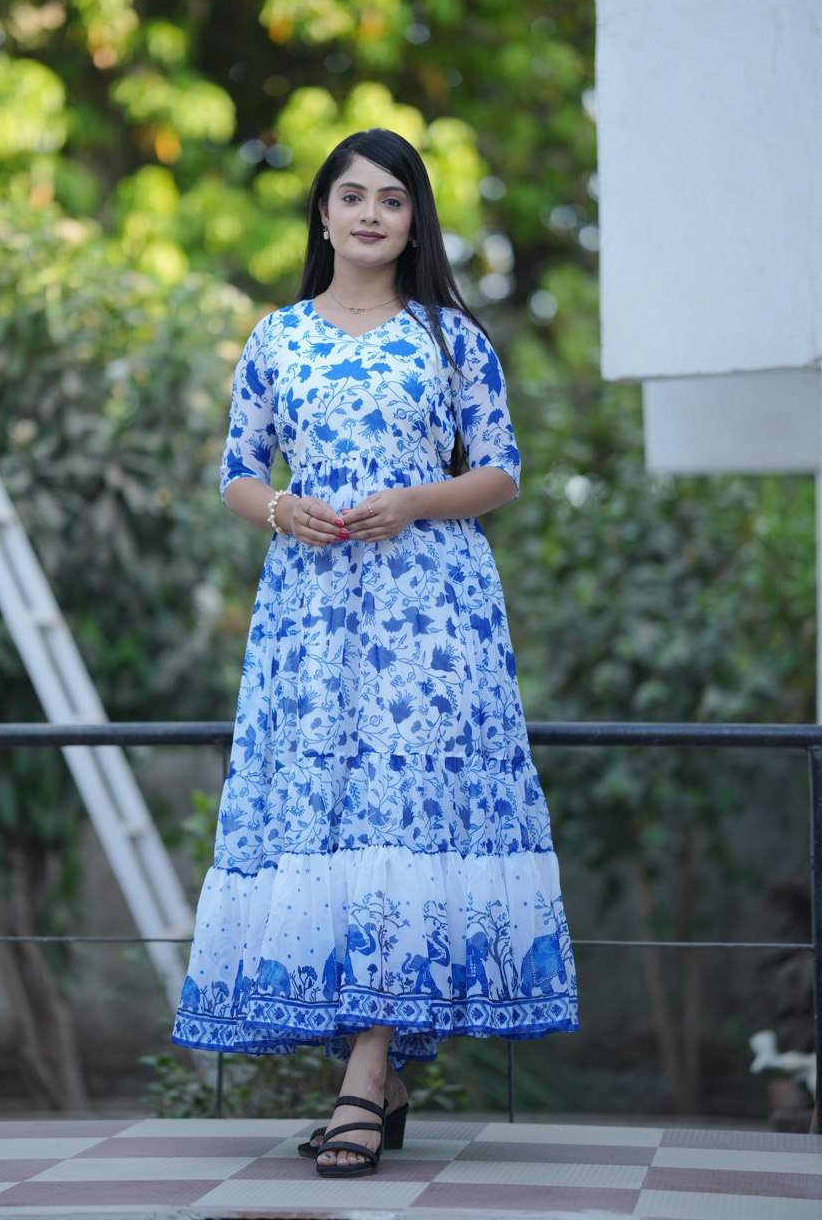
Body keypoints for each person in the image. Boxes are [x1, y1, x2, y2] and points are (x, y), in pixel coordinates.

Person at [171, 127, 579, 1176]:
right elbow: (235, 471)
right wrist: (282, 509)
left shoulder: (451, 337)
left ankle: (361, 1076)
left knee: (404, 815)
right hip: (310, 615)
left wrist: (415, 501)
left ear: (412, 222)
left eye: (390, 200)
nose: (368, 214)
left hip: (429, 617)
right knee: (328, 816)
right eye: (351, 196)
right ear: (321, 212)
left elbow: (502, 469)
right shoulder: (276, 337)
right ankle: (382, 1076)